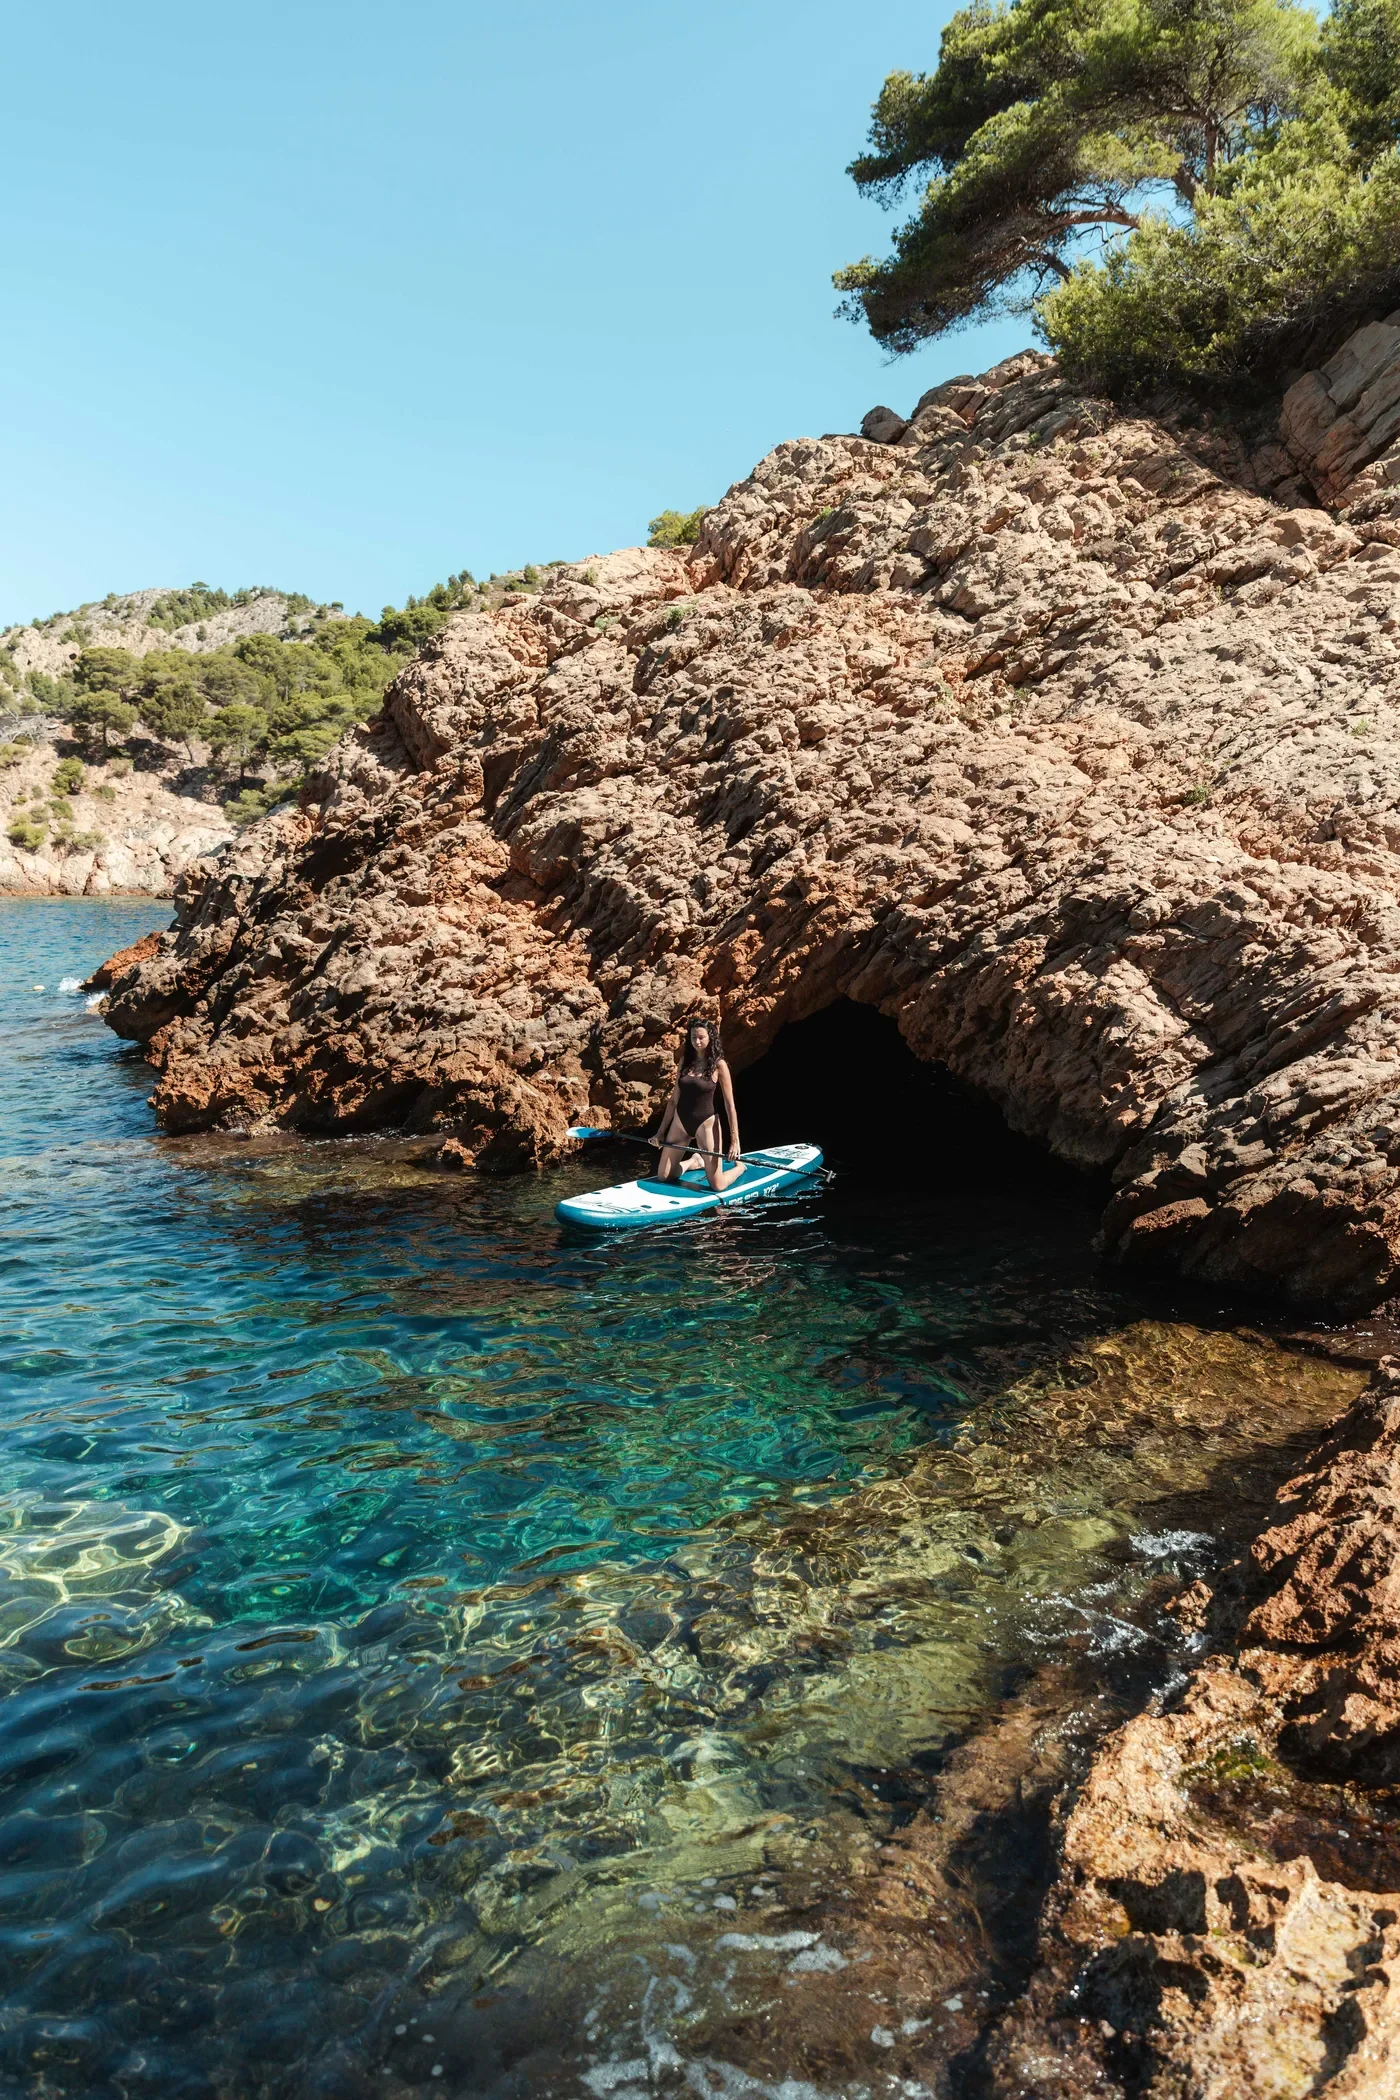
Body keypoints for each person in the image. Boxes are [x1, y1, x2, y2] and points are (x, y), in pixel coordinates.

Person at [650, 1018, 744, 1190]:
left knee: (718, 1186)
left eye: (701, 1037)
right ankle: (694, 1161)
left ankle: (740, 1168)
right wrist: (660, 1132)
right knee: (664, 1176)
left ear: (710, 1038)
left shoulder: (719, 1065)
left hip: (706, 1124)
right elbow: (673, 1100)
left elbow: (729, 1106)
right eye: (694, 1037)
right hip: (680, 1122)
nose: (697, 1041)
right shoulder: (685, 1061)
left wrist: (735, 1141)